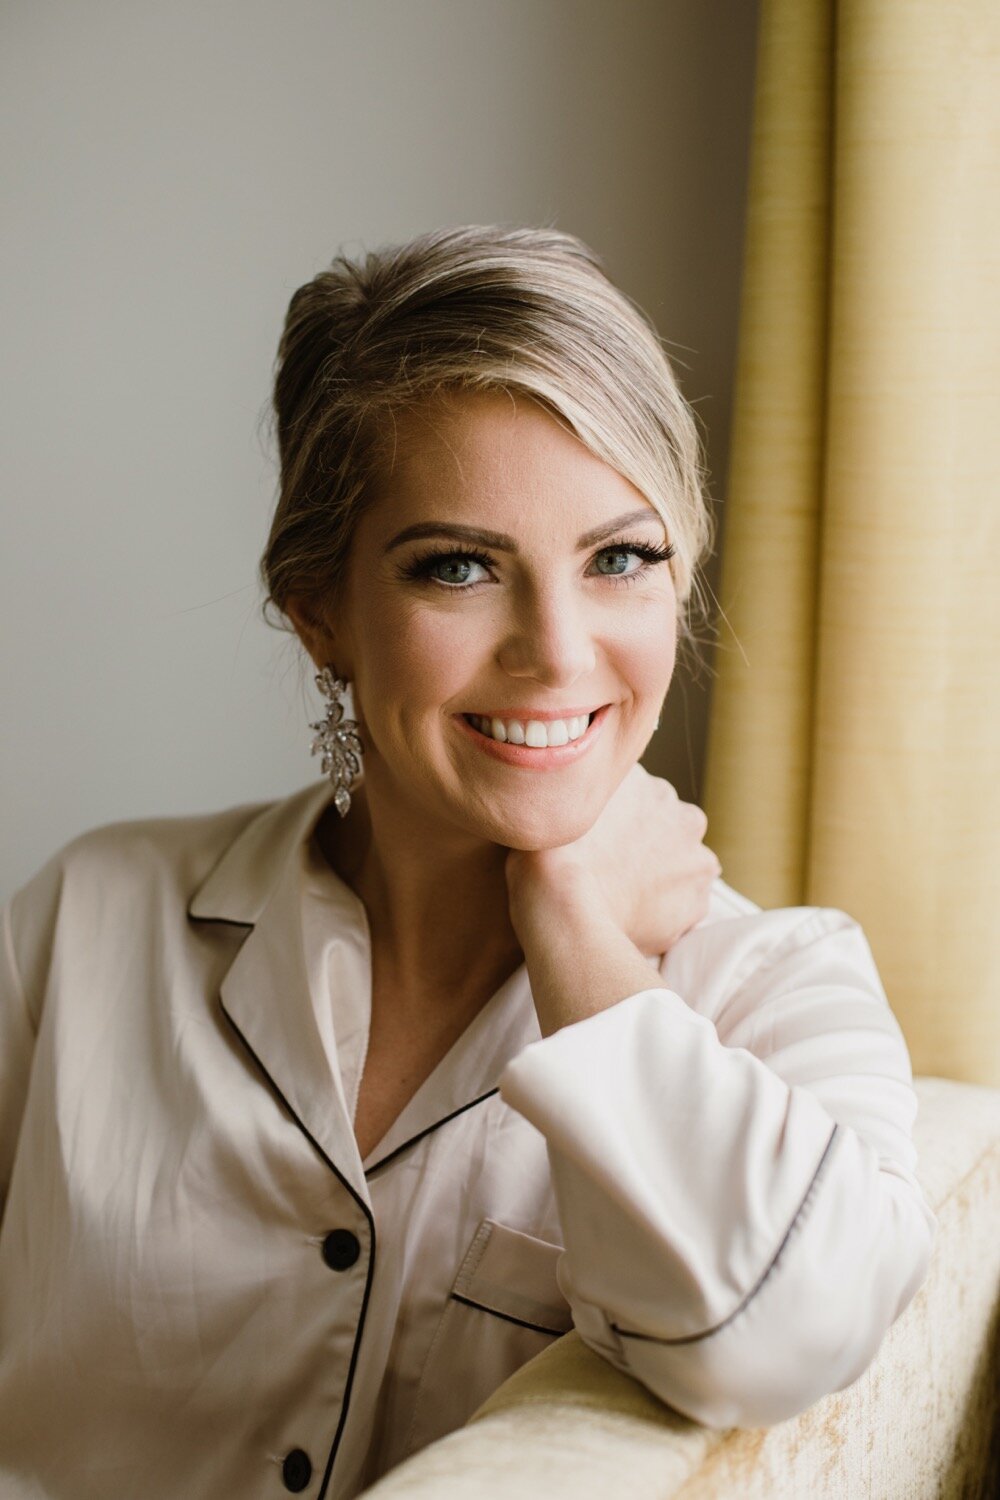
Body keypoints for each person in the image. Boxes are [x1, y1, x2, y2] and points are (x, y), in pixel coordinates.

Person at [0, 226, 936, 1500]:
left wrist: (576, 927)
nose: (556, 652)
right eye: (459, 567)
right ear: (318, 609)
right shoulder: (84, 922)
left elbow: (786, 1340)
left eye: (620, 558)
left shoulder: (781, 988)